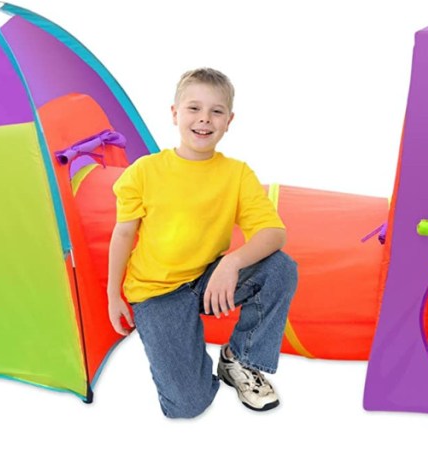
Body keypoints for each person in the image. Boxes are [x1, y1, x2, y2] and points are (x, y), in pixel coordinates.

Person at [106, 67, 298, 417]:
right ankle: (186, 358)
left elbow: (275, 232)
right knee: (188, 405)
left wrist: (231, 262)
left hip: (208, 280)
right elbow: (123, 233)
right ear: (175, 113)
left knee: (280, 268)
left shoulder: (236, 173)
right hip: (156, 293)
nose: (204, 119)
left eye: (216, 111)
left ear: (229, 120)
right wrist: (112, 294)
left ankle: (239, 359)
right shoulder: (144, 172)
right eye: (194, 108)